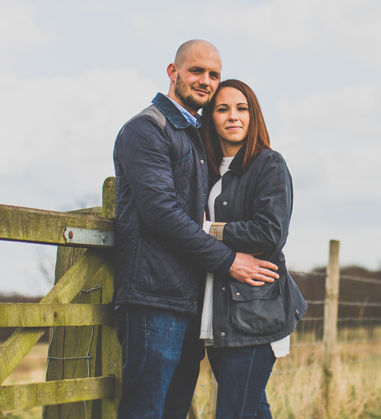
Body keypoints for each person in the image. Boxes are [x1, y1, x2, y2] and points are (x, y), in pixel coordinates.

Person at [112, 41, 281, 419]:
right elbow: (162, 215)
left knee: (173, 410)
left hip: (191, 301)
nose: (205, 81)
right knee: (145, 409)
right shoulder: (147, 129)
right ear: (173, 73)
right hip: (154, 298)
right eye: (196, 71)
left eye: (213, 74)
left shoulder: (195, 136)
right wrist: (228, 261)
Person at [198, 79, 308, 419]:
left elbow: (270, 232)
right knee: (253, 411)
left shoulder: (268, 164)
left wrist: (210, 230)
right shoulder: (208, 173)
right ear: (211, 119)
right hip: (218, 315)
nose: (233, 116)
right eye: (223, 109)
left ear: (253, 115)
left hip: (255, 315)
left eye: (241, 108)